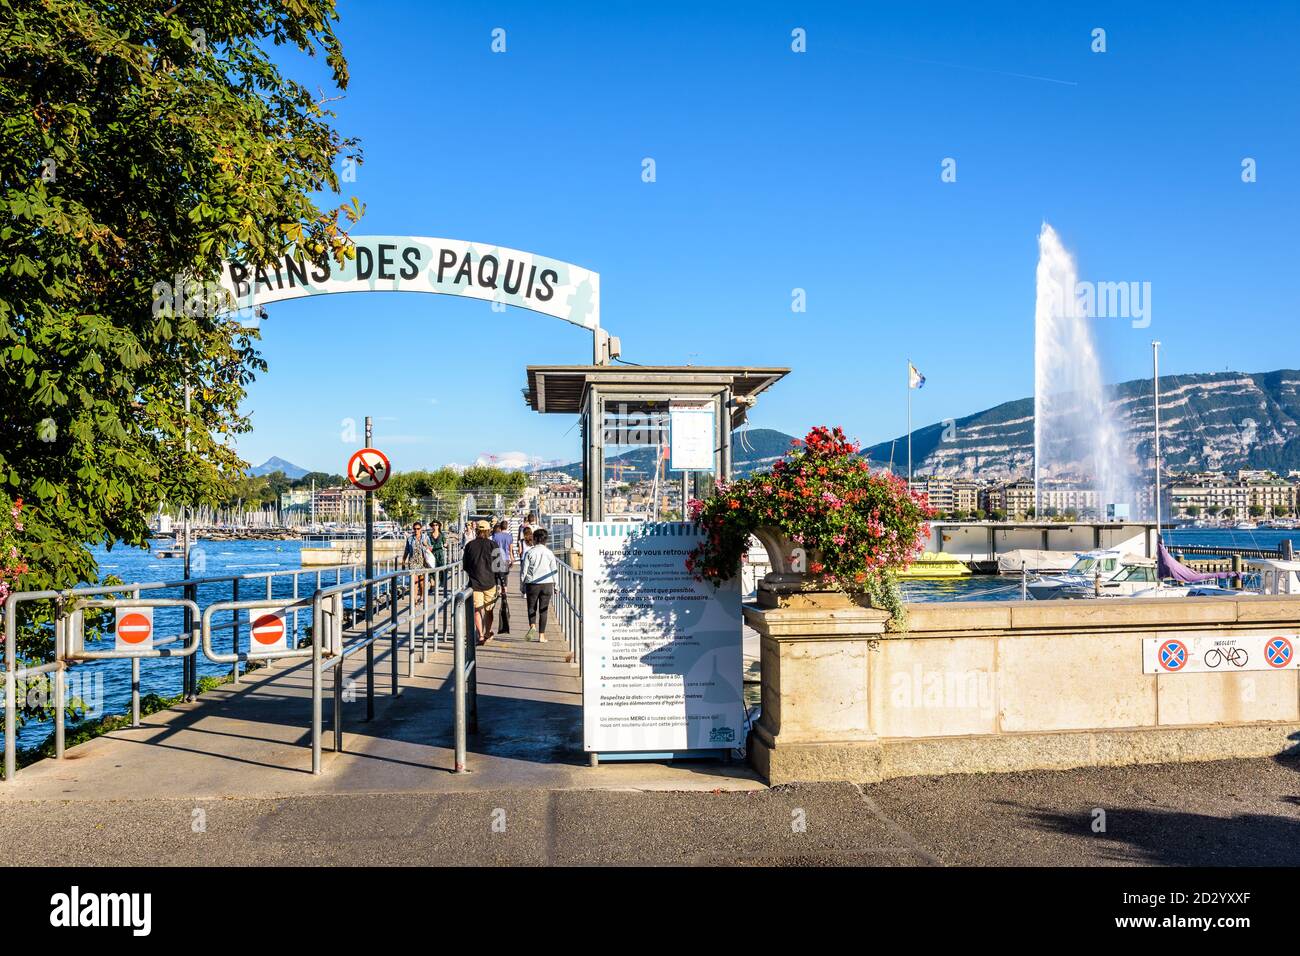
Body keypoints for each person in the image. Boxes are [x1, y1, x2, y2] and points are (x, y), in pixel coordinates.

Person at [462, 519, 499, 643]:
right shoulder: (494, 545)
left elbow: (465, 566)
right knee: (489, 610)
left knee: (477, 610)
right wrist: (502, 583)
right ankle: (487, 632)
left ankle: (480, 635)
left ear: (477, 530)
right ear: (488, 531)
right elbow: (499, 566)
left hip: (475, 583)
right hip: (490, 582)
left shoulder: (469, 545)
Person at [520, 527, 558, 643]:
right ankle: (542, 636)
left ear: (535, 539)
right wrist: (556, 585)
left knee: (532, 607)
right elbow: (554, 570)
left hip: (532, 583)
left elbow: (524, 571)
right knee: (544, 610)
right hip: (547, 583)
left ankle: (532, 626)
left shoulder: (529, 552)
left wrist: (522, 585)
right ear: (545, 540)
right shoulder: (550, 553)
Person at [490, 519, 514, 634]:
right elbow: (510, 549)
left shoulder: (495, 536)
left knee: (497, 577)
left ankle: (498, 588)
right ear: (507, 526)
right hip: (505, 559)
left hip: (496, 558)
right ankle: (505, 590)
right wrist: (512, 558)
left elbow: (493, 548)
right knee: (505, 577)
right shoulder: (509, 536)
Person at [402, 521, 429, 604]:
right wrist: (403, 561)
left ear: (421, 529)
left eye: (418, 529)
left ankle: (422, 596)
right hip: (413, 561)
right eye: (414, 529)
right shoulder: (410, 538)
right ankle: (414, 599)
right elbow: (407, 550)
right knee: (414, 581)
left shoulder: (425, 538)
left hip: (423, 561)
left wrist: (426, 545)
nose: (416, 530)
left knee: (421, 581)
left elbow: (430, 549)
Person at [426, 520, 448, 592]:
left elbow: (445, 543)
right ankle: (432, 585)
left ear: (439, 526)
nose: (435, 526)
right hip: (432, 554)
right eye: (433, 525)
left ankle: (440, 583)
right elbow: (426, 544)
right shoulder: (429, 535)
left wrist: (446, 545)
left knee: (441, 569)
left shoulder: (442, 535)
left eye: (436, 525)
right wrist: (427, 546)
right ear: (432, 526)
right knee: (431, 569)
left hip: (440, 554)